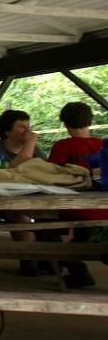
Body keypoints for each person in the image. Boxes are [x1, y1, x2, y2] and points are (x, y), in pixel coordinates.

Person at [0, 109, 48, 276]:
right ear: (8, 131)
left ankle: (51, 259)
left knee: (54, 215)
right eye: (21, 127)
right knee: (19, 215)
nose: (27, 131)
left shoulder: (35, 151)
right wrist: (30, 144)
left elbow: (47, 172)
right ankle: (28, 260)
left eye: (28, 126)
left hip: (31, 197)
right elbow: (6, 176)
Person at [46, 102, 100, 287]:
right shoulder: (103, 145)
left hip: (74, 207)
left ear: (65, 123)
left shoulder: (62, 146)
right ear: (90, 121)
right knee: (85, 236)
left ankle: (73, 267)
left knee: (45, 230)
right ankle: (76, 269)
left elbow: (50, 175)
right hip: (103, 207)